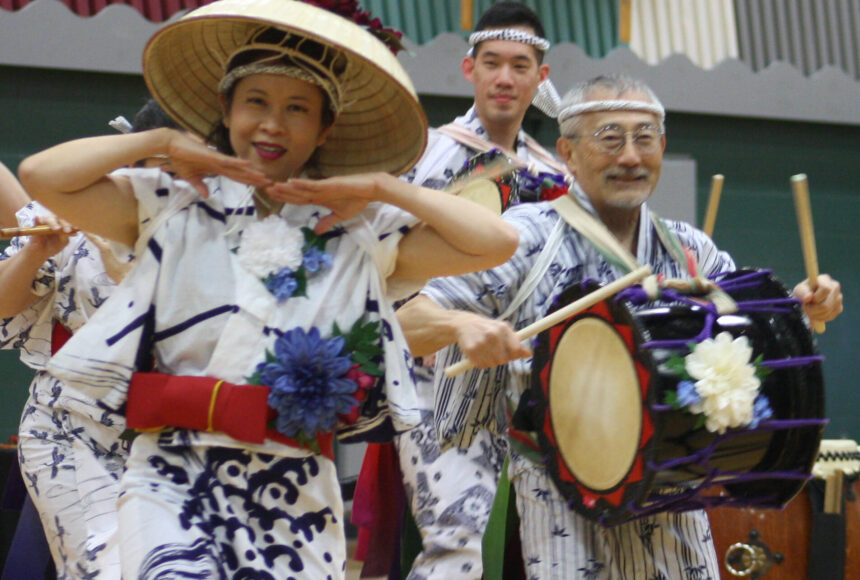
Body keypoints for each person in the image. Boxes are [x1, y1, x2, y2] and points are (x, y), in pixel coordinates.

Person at [17, 0, 519, 577]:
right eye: (256, 102)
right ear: (226, 109)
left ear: (325, 127)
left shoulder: (354, 229)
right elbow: (40, 177)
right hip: (170, 472)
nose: (273, 124)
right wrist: (159, 141)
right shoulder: (170, 200)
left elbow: (495, 242)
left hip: (293, 489)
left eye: (297, 109)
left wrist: (386, 188)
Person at [396, 74, 843, 579]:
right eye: (610, 139)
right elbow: (407, 318)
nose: (630, 156)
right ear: (567, 151)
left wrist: (803, 306)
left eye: (644, 138)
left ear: (662, 147)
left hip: (672, 487)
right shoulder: (524, 236)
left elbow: (749, 327)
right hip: (558, 488)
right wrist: (460, 325)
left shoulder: (687, 249)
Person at [382, 4, 567, 578]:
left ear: (541, 76)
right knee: (455, 541)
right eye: (492, 63)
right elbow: (378, 259)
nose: (504, 78)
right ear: (469, 69)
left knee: (534, 545)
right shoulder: (428, 153)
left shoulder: (553, 171)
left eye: (519, 64)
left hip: (526, 374)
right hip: (436, 366)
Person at [0, 99, 178, 580]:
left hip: (175, 436)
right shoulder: (73, 203)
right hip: (74, 426)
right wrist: (35, 251)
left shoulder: (224, 224)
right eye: (168, 164)